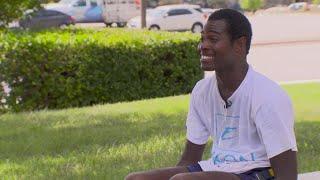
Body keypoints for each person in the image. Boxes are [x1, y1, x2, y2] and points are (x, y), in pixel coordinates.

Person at [126, 8, 298, 180]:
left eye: (213, 39)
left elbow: (287, 173)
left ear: (240, 45)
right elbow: (189, 159)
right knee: (135, 179)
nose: (203, 46)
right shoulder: (202, 91)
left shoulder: (267, 95)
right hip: (217, 167)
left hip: (256, 173)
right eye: (202, 39)